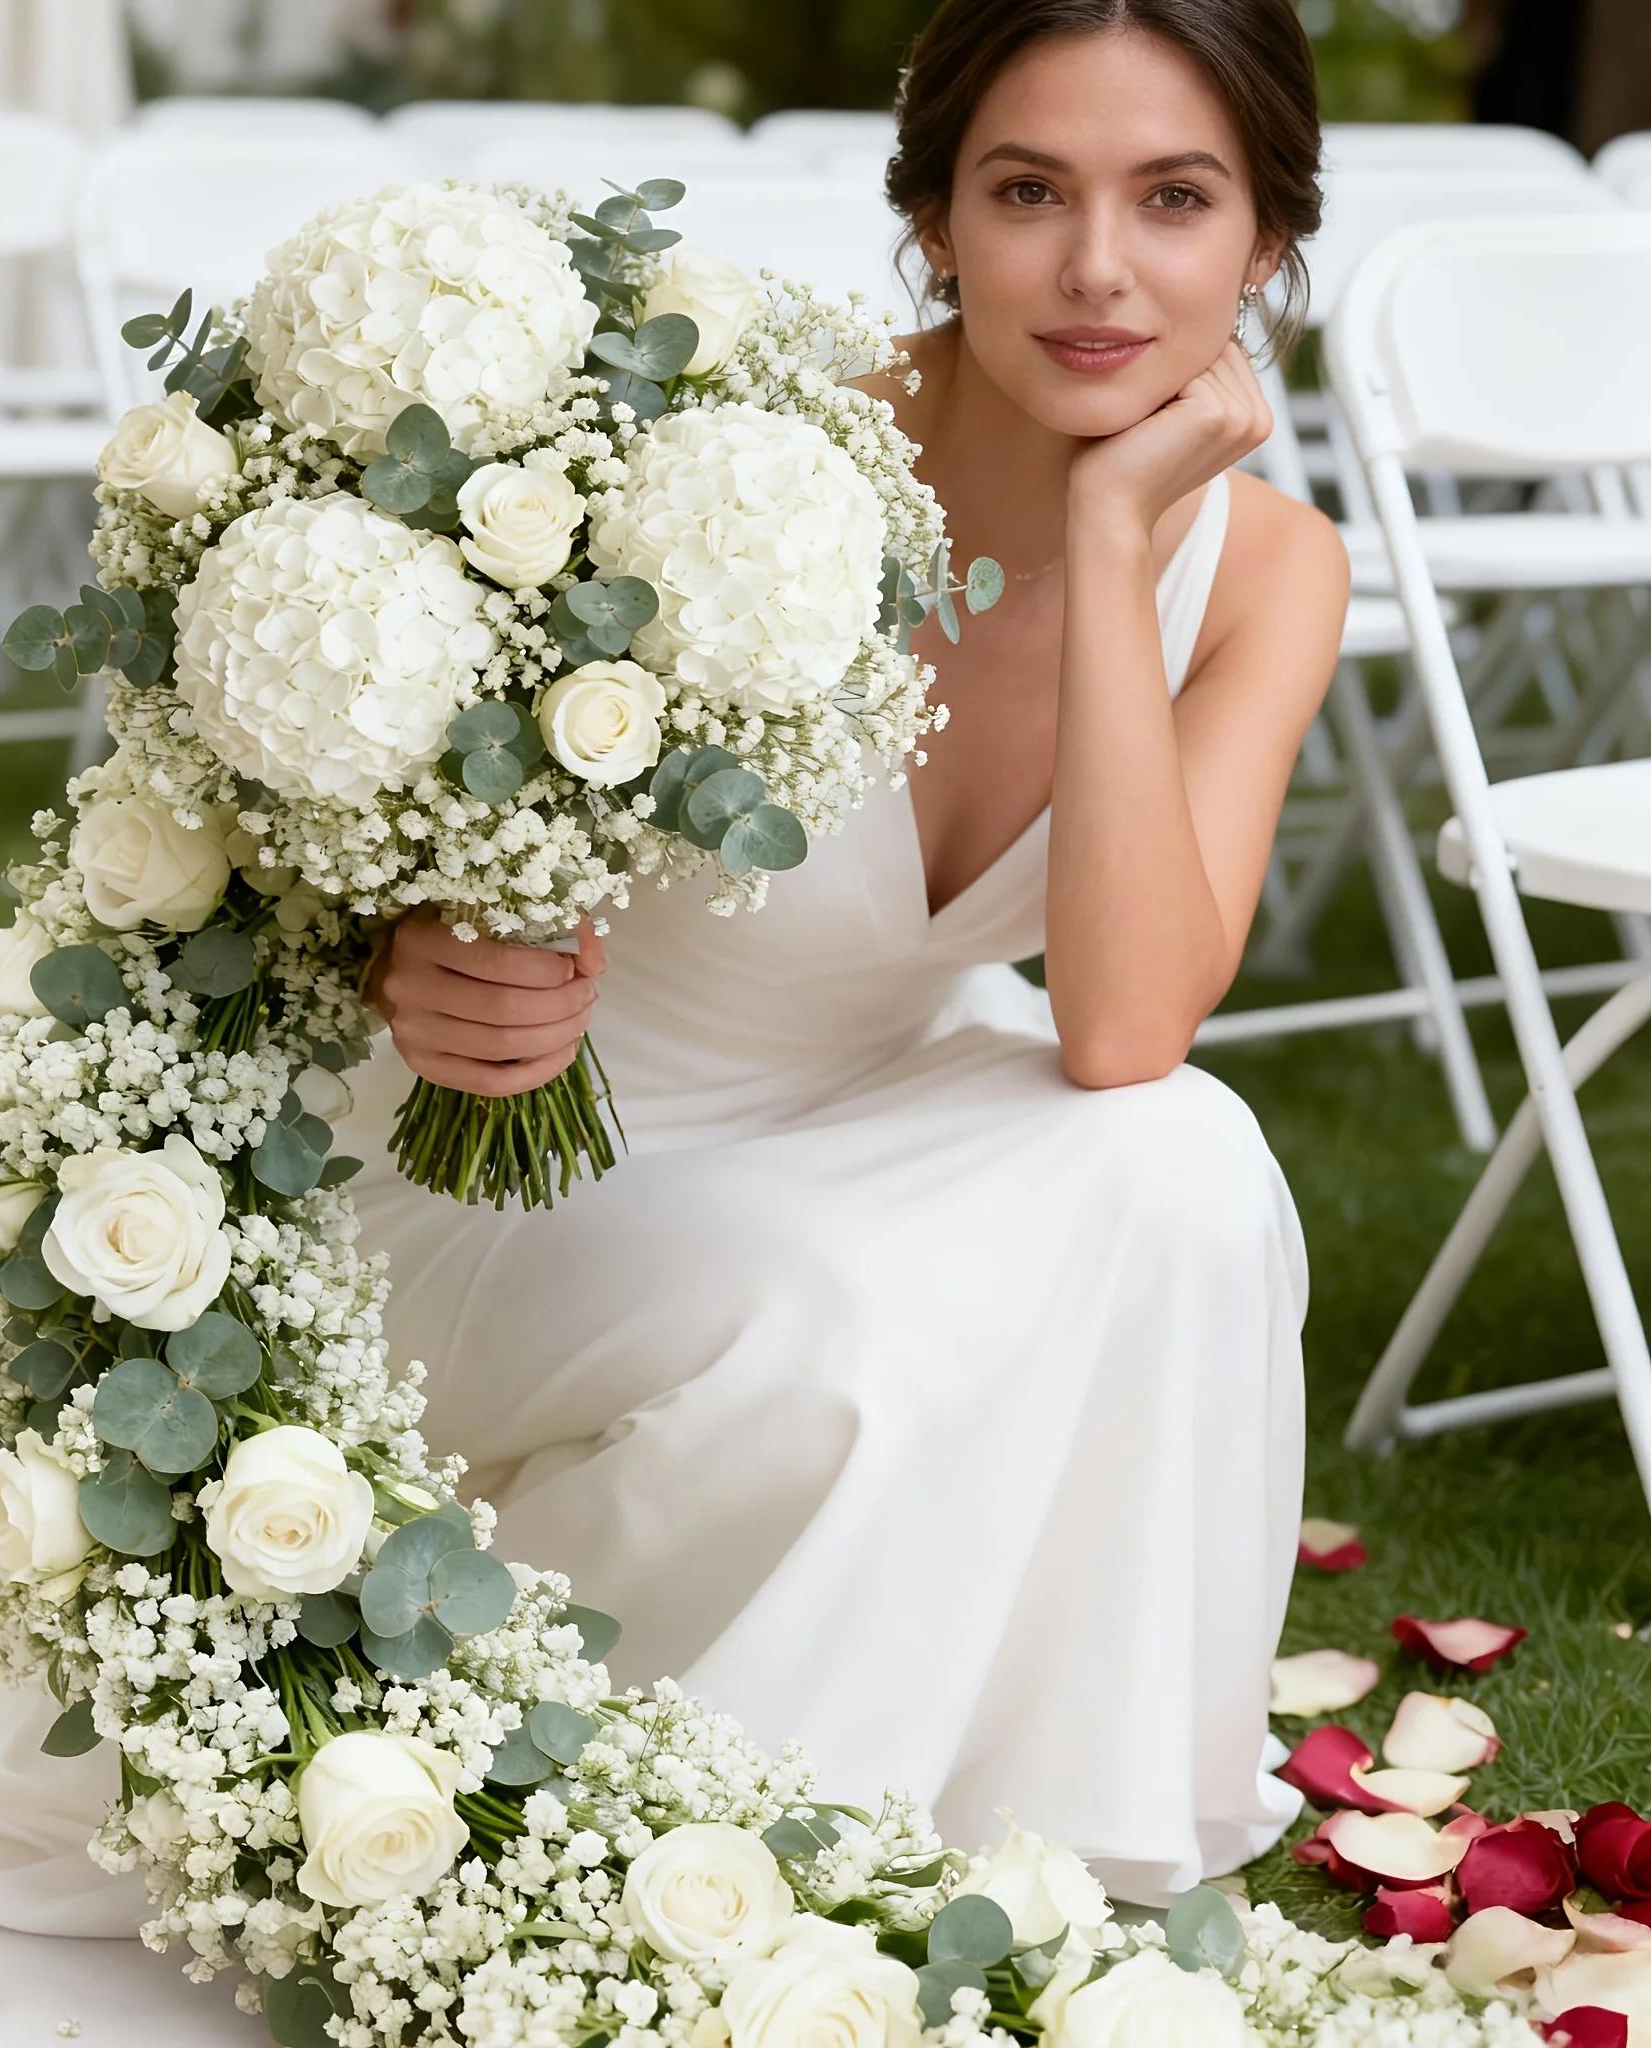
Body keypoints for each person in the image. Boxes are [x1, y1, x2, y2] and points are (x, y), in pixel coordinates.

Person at [331, 0, 1351, 1909]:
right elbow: (383, 808)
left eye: (1175, 199)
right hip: (529, 1169)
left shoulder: (1271, 568)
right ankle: (655, 1796)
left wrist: (1112, 541)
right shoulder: (725, 462)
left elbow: (1128, 1023)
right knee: (834, 1320)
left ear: (1267, 240)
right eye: (1029, 191)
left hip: (867, 1121)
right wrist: (414, 946)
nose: (1100, 268)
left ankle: (1064, 1813)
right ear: (934, 217)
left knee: (1189, 1156)